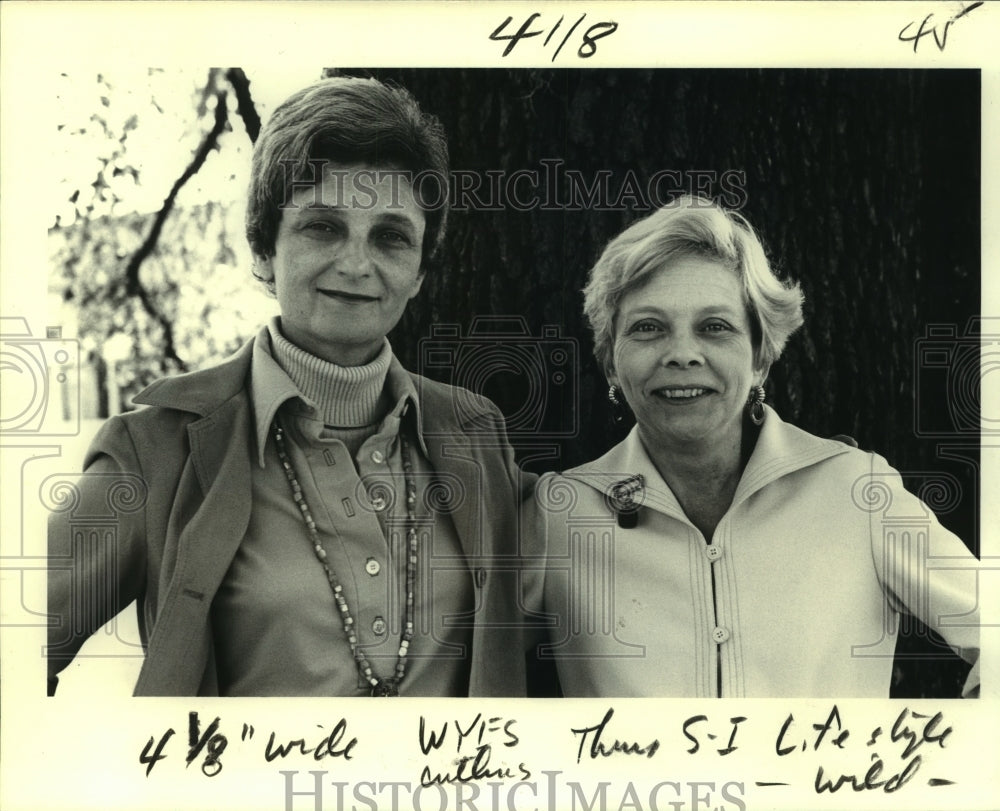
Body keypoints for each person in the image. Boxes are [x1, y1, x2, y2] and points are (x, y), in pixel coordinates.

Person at [47, 76, 533, 697]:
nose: (357, 264)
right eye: (323, 227)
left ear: (419, 271)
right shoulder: (156, 453)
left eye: (391, 236)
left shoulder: (475, 433)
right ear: (264, 249)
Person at [528, 195, 980, 697]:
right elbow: (452, 661)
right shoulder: (559, 515)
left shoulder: (857, 492)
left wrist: (957, 757)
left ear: (761, 356)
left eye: (715, 327)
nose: (681, 354)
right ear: (611, 362)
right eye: (648, 328)